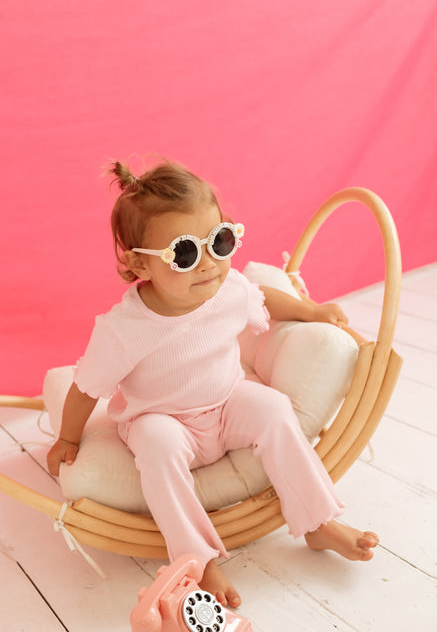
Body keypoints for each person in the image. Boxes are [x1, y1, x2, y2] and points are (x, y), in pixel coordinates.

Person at [47, 159, 379, 607]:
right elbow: (87, 387)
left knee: (275, 409)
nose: (207, 264)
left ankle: (317, 521)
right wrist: (68, 438)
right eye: (184, 253)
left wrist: (311, 311)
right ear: (139, 263)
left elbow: (265, 299)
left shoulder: (228, 289)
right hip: (161, 418)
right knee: (157, 446)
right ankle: (196, 557)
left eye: (219, 241)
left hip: (227, 401)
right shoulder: (124, 329)